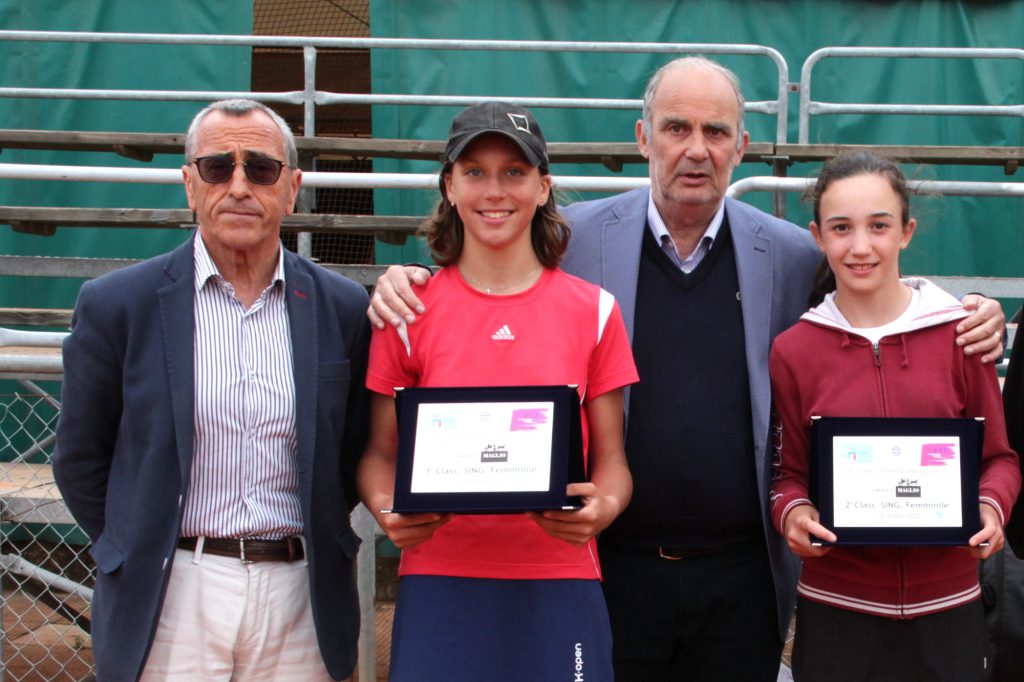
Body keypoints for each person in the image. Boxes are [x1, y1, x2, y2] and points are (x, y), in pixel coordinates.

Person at [368, 58, 1007, 680]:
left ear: (743, 145)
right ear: (644, 137)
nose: (695, 149)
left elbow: (869, 289)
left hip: (741, 575)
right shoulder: (576, 240)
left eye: (716, 131)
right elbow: (491, 265)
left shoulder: (787, 252)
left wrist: (962, 311)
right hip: (614, 562)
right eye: (677, 128)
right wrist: (408, 277)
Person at [53, 99, 370, 682]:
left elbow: (350, 448)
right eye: (218, 167)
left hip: (300, 593)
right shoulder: (117, 305)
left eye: (262, 169)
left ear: (293, 186)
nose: (239, 185)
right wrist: (134, 542)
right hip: (172, 591)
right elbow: (80, 457)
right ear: (189, 184)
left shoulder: (342, 307)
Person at [357, 101, 638, 682]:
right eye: (475, 172)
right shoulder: (407, 310)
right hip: (439, 578)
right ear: (450, 187)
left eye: (514, 172)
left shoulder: (595, 311)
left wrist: (602, 507)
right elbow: (380, 455)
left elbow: (613, 462)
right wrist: (388, 508)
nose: (495, 191)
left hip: (559, 578)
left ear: (543, 187)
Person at [770, 151, 1021, 682]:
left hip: (948, 607)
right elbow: (787, 473)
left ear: (906, 231)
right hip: (837, 608)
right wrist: (792, 513)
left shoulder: (962, 335)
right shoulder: (793, 350)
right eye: (842, 228)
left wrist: (991, 508)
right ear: (817, 235)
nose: (860, 246)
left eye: (878, 226)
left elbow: (1000, 459)